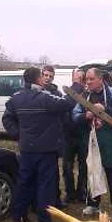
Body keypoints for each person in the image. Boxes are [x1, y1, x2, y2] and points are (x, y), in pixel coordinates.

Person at [2, 67, 83, 222]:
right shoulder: (44, 98)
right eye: (42, 76)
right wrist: (76, 85)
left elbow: (7, 118)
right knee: (45, 185)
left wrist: (17, 134)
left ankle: (18, 215)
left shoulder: (16, 98)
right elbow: (67, 104)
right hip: (46, 150)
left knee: (25, 181)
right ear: (38, 79)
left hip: (26, 149)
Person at [73, 67, 112, 217]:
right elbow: (74, 116)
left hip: (109, 140)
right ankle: (93, 204)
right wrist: (86, 116)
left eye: (91, 79)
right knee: (93, 170)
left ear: (100, 80)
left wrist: (105, 109)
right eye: (87, 79)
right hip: (91, 140)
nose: (88, 82)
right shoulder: (84, 95)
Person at [41, 65, 68, 208]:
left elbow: (64, 114)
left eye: (50, 76)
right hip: (37, 139)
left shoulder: (57, 94)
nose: (47, 78)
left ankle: (55, 200)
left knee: (54, 172)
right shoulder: (35, 92)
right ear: (41, 75)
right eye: (45, 75)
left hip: (53, 139)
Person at [61, 69, 88, 204]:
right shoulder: (67, 94)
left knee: (84, 166)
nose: (78, 81)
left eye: (80, 78)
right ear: (72, 79)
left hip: (83, 134)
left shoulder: (87, 95)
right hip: (68, 135)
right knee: (67, 166)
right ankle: (70, 193)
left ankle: (81, 192)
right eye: (76, 78)